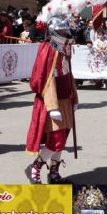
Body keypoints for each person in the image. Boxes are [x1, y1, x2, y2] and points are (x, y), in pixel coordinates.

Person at [24, 15, 78, 184]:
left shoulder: (64, 48)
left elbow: (69, 74)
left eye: (64, 29)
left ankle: (54, 172)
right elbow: (46, 79)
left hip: (65, 99)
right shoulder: (48, 48)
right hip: (52, 101)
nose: (64, 32)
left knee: (63, 137)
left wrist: (74, 97)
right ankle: (35, 166)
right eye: (60, 30)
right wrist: (53, 106)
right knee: (56, 140)